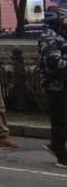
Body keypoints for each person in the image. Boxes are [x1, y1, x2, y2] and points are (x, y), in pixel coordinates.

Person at [38, 9, 67, 167]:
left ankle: (56, 144)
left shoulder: (60, 33)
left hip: (62, 83)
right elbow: (54, 62)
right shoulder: (48, 35)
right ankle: (62, 156)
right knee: (60, 119)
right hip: (56, 84)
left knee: (62, 119)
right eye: (65, 17)